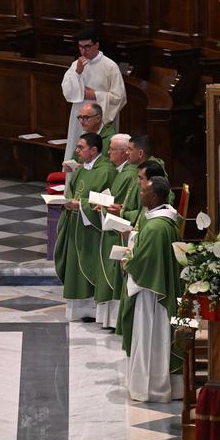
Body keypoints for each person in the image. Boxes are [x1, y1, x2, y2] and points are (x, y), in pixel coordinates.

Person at [117, 176, 183, 402]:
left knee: (152, 338)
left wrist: (127, 262)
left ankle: (151, 388)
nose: (140, 193)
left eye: (143, 190)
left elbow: (144, 263)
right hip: (159, 289)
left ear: (154, 196)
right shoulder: (165, 219)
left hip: (152, 296)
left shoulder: (156, 228)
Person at [53, 132, 116, 321]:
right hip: (75, 223)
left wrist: (80, 205)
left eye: (81, 147)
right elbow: (72, 190)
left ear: (94, 150)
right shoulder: (81, 169)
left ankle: (92, 309)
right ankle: (79, 309)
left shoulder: (106, 171)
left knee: (88, 265)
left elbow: (107, 201)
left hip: (90, 229)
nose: (77, 151)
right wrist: (67, 202)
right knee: (74, 266)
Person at [60, 28, 126, 161]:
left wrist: (96, 95)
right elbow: (67, 92)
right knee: (77, 153)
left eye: (87, 47)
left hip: (100, 119)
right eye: (80, 47)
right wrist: (77, 73)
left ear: (96, 45)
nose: (83, 51)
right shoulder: (75, 65)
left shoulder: (110, 66)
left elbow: (120, 97)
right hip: (79, 119)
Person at [94, 133, 136, 329]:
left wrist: (104, 206)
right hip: (117, 227)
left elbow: (122, 206)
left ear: (125, 152)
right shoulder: (121, 171)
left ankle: (114, 320)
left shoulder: (128, 174)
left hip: (120, 231)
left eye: (111, 149)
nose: (108, 153)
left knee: (114, 273)